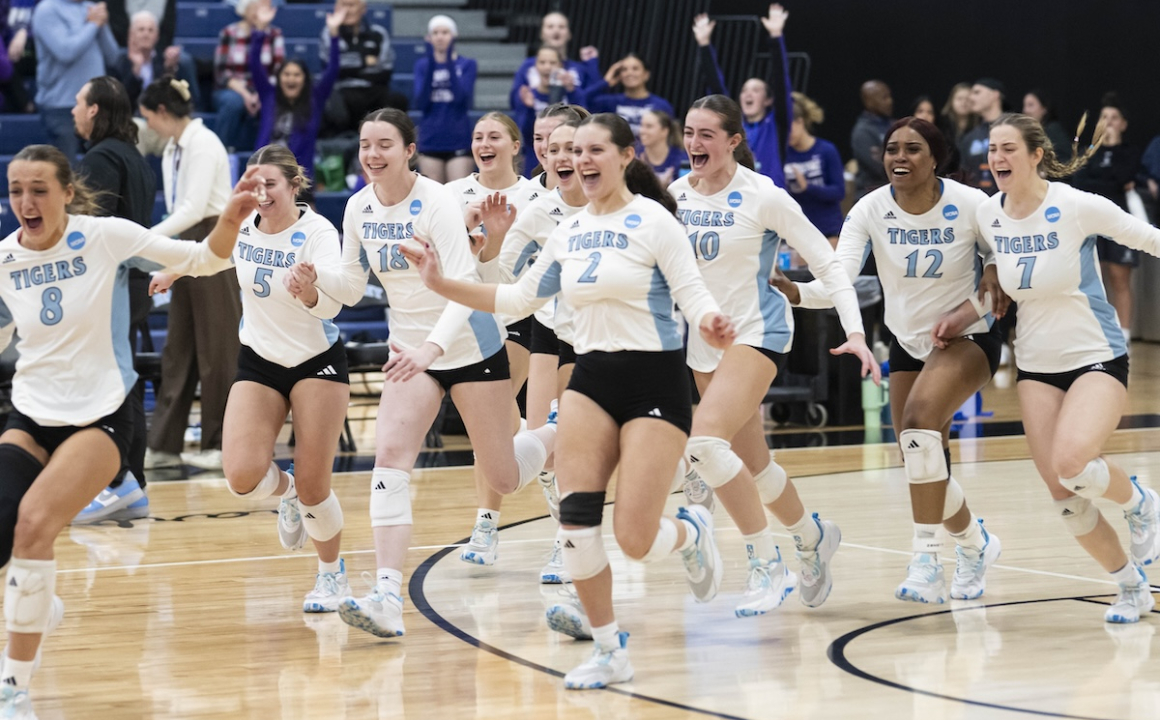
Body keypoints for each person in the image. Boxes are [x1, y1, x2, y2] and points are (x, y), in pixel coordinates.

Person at [402, 112, 736, 689]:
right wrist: (439, 283)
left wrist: (711, 323)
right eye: (574, 152)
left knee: (634, 537)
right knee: (578, 523)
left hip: (655, 383)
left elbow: (693, 292)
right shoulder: (568, 230)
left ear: (626, 156)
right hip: (591, 384)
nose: (580, 161)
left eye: (593, 151)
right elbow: (516, 297)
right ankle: (609, 649)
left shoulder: (654, 221)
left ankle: (691, 532)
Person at [0, 143, 260, 719]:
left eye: (39, 189)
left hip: (100, 415)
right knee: (5, 532)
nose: (26, 201)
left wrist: (230, 220)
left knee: (33, 525)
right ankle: (40, 604)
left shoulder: (104, 237)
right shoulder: (3, 260)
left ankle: (13, 690)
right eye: (17, 189)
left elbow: (205, 260)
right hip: (30, 415)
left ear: (68, 192)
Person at [314, 108, 556, 639]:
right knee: (391, 459)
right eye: (364, 144)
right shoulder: (357, 207)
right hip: (412, 351)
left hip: (471, 343)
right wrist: (315, 290)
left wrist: (432, 347)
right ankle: (385, 595)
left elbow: (464, 278)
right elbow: (353, 287)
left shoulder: (438, 202)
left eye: (384, 144)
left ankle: (557, 433)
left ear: (408, 150)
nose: (372, 155)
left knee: (504, 478)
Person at [936, 112, 1160, 623]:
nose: (997, 158)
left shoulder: (1076, 206)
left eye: (1009, 148)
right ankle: (1130, 586)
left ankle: (1141, 502)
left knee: (1073, 462)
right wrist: (959, 317)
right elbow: (997, 285)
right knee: (1064, 496)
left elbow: (1148, 238)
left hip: (1095, 355)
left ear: (1037, 155)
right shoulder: (989, 214)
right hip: (1035, 365)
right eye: (992, 149)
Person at [779, 117, 1005, 605]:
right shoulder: (870, 208)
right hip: (907, 341)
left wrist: (977, 295)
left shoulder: (972, 205)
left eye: (913, 149)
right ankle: (974, 544)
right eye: (891, 149)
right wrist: (795, 291)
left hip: (970, 336)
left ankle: (925, 559)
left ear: (936, 158)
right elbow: (841, 280)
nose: (899, 157)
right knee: (920, 456)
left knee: (919, 422)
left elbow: (1005, 273)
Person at [668, 94, 875, 618]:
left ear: (734, 140)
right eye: (689, 133)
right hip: (702, 342)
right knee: (753, 465)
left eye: (706, 134)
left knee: (706, 444)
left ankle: (766, 563)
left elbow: (830, 265)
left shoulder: (764, 196)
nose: (694, 143)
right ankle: (812, 536)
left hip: (757, 332)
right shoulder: (674, 195)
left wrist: (854, 330)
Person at [151, 145, 352, 613]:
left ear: (293, 185)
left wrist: (309, 294)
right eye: (254, 185)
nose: (261, 194)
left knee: (315, 484)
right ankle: (285, 494)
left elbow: (336, 304)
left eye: (271, 185)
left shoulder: (318, 232)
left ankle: (331, 575)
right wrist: (175, 271)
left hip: (315, 359)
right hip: (260, 360)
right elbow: (213, 256)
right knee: (240, 475)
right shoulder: (245, 226)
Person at [473, 117, 590, 584]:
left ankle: (570, 543)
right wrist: (491, 242)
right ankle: (559, 531)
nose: (559, 156)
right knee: (546, 442)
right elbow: (501, 275)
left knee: (571, 441)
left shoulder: (617, 205)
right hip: (546, 326)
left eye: (570, 147)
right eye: (552, 147)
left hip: (596, 336)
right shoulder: (537, 209)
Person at [444, 112, 539, 566]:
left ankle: (485, 526)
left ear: (515, 146)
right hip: (471, 319)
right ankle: (542, 446)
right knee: (500, 428)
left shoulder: (536, 196)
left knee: (497, 424)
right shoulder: (451, 194)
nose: (485, 143)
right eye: (478, 136)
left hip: (520, 314)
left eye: (495, 136)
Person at [139, 76, 242, 471]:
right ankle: (165, 442)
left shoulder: (204, 143)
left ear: (163, 112)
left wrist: (142, 239)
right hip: (186, 240)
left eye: (149, 117)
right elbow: (181, 213)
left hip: (216, 239)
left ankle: (222, 443)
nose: (148, 126)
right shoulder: (172, 150)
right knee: (178, 347)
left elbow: (196, 208)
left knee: (218, 349)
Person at [70, 75, 156, 523]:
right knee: (124, 379)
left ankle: (117, 480)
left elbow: (89, 231)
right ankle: (131, 484)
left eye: (78, 103)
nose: (72, 111)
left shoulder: (102, 157)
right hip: (135, 282)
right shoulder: (134, 156)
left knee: (108, 382)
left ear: (95, 110)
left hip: (111, 286)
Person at [692, 5, 792, 186]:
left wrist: (776, 38)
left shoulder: (777, 124)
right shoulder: (734, 124)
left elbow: (781, 82)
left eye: (755, 90)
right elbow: (717, 89)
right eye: (744, 90)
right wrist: (704, 45)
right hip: (737, 196)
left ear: (768, 99)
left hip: (769, 199)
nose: (748, 94)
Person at [1070, 94, 1140, 350]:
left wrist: (1111, 149)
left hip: (1120, 223)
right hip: (1091, 224)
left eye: (1114, 118)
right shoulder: (1088, 152)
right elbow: (1080, 183)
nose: (1109, 122)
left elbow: (1124, 178)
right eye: (1104, 117)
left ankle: (1124, 333)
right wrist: (1106, 178)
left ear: (1123, 124)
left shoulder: (1129, 152)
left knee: (1119, 277)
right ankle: (1093, 329)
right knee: (1091, 277)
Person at [248, 3, 343, 184]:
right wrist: (260, 30)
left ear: (305, 79)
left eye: (297, 75)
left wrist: (334, 34)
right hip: (262, 171)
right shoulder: (269, 95)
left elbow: (333, 69)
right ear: (279, 77)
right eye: (287, 74)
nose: (291, 79)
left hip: (298, 178)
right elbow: (254, 64)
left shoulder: (315, 98)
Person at [32, 0, 119, 160]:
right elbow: (65, 51)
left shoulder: (91, 9)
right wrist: (92, 25)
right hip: (62, 106)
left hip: (96, 106)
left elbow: (113, 57)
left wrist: (102, 25)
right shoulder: (47, 10)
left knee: (102, 169)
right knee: (64, 174)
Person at [321, 0, 407, 137]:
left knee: (398, 100)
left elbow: (385, 71)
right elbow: (331, 69)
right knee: (331, 105)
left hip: (373, 90)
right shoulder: (330, 33)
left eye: (352, 5)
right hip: (343, 91)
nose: (348, 10)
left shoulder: (378, 33)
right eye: (343, 5)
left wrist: (349, 67)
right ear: (336, 8)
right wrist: (364, 62)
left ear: (363, 9)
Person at [213, 0, 284, 152]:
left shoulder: (274, 34)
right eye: (254, 7)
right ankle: (219, 151)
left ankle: (269, 154)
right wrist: (246, 95)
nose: (257, 12)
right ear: (244, 9)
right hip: (233, 89)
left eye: (262, 8)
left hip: (264, 89)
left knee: (272, 102)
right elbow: (222, 73)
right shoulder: (229, 32)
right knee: (233, 102)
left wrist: (261, 94)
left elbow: (278, 72)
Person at [414, 14, 476, 183]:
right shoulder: (422, 66)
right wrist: (433, 64)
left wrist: (448, 60)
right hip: (430, 140)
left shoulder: (467, 64)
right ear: (429, 38)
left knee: (459, 199)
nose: (440, 37)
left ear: (454, 36)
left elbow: (461, 100)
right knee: (434, 200)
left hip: (458, 139)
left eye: (445, 32)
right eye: (435, 33)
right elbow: (422, 103)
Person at [508, 11, 598, 115]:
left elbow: (594, 103)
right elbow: (514, 102)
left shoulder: (579, 68)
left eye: (561, 26)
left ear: (569, 34)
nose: (556, 30)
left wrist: (592, 64)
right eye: (550, 26)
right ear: (541, 33)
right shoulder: (528, 66)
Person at [514, 46, 586, 176]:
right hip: (535, 161)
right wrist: (530, 108)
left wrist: (572, 92)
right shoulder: (528, 95)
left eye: (552, 63)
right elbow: (526, 134)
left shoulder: (572, 93)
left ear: (561, 66)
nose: (547, 67)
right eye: (542, 62)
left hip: (568, 162)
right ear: (535, 67)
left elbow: (584, 123)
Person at [783, 92, 844, 244]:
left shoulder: (826, 150)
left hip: (827, 229)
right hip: (796, 231)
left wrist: (808, 187)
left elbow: (839, 191)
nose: (785, 134)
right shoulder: (782, 154)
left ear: (800, 122)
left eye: (788, 127)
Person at [110, 10, 200, 111]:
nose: (146, 34)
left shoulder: (164, 60)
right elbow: (120, 102)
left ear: (157, 36)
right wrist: (136, 72)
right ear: (131, 34)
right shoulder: (120, 61)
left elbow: (177, 100)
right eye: (141, 29)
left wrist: (169, 70)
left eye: (150, 30)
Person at [583, 53, 674, 140]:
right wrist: (606, 82)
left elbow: (670, 138)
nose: (629, 73)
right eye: (624, 69)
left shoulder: (661, 105)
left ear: (646, 75)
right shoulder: (611, 102)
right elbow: (583, 100)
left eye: (635, 69)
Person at [958, 78, 1006, 194]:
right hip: (978, 204)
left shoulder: (1016, 129)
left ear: (995, 95)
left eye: (977, 92)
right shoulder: (969, 138)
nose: (971, 98)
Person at [851, 79, 894, 198]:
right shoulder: (862, 132)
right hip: (871, 195)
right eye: (884, 98)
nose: (890, 101)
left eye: (889, 96)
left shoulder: (893, 125)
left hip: (893, 193)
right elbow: (879, 167)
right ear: (869, 102)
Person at [635, 109, 684, 185]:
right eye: (641, 125)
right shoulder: (634, 156)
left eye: (649, 126)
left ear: (664, 131)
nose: (642, 131)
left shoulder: (681, 160)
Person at [1022, 88, 1070, 163]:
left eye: (1030, 105)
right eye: (1024, 106)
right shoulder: (1028, 132)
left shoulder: (1052, 131)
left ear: (1044, 108)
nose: (1026, 110)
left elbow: (1064, 159)